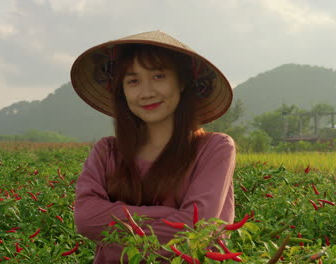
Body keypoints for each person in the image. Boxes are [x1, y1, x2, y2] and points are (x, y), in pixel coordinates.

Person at [70, 30, 236, 263]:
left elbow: (196, 231)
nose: (146, 92)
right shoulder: (106, 151)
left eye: (158, 76)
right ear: (123, 91)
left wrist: (115, 232)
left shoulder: (215, 148)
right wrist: (170, 216)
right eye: (133, 81)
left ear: (181, 83)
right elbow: (86, 219)